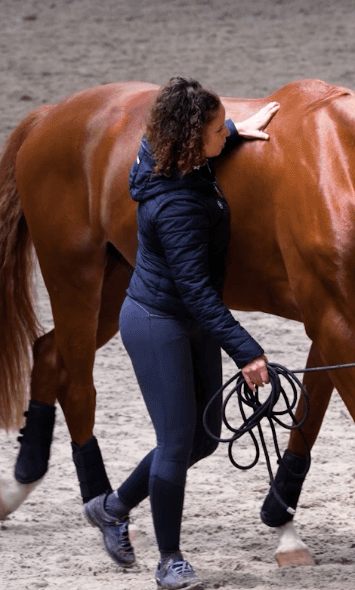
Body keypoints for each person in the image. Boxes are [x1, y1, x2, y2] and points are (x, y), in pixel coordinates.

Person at [80, 77, 280, 590]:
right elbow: (197, 292)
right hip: (158, 322)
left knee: (205, 438)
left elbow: (203, 139)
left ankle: (113, 506)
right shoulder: (178, 207)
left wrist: (235, 130)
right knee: (175, 443)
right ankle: (169, 560)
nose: (221, 135)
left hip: (188, 320)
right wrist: (246, 351)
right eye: (215, 129)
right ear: (193, 140)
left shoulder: (164, 154)